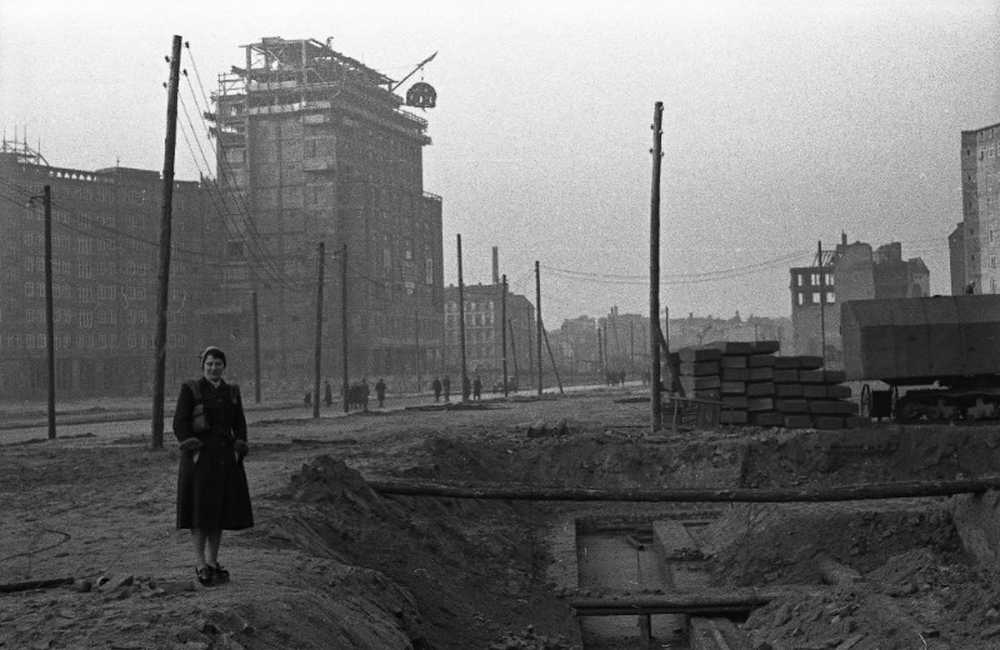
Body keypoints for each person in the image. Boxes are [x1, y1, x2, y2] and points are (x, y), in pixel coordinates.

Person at [173, 346, 253, 587]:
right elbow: (179, 423)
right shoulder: (191, 389)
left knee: (218, 514)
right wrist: (193, 449)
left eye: (218, 363)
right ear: (203, 366)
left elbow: (240, 423)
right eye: (209, 364)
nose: (213, 368)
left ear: (224, 366)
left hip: (225, 460)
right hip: (199, 461)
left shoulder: (232, 392)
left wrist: (239, 449)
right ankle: (200, 564)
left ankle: (212, 561)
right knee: (199, 514)